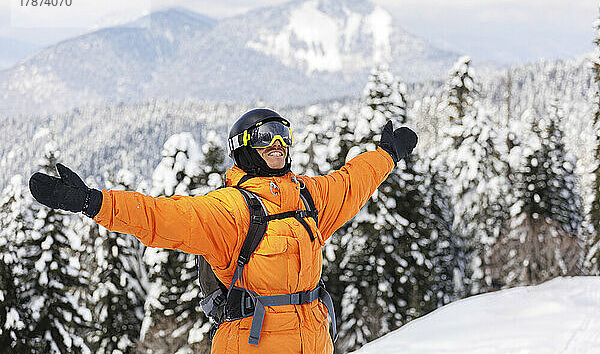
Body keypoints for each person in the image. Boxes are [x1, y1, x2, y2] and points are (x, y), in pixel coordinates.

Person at [29, 108, 418, 354]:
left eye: (284, 134)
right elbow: (160, 218)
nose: (279, 144)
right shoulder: (232, 210)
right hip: (252, 343)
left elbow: (352, 182)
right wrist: (93, 202)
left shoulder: (308, 198)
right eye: (267, 137)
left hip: (314, 340)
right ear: (245, 148)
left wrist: (387, 154)